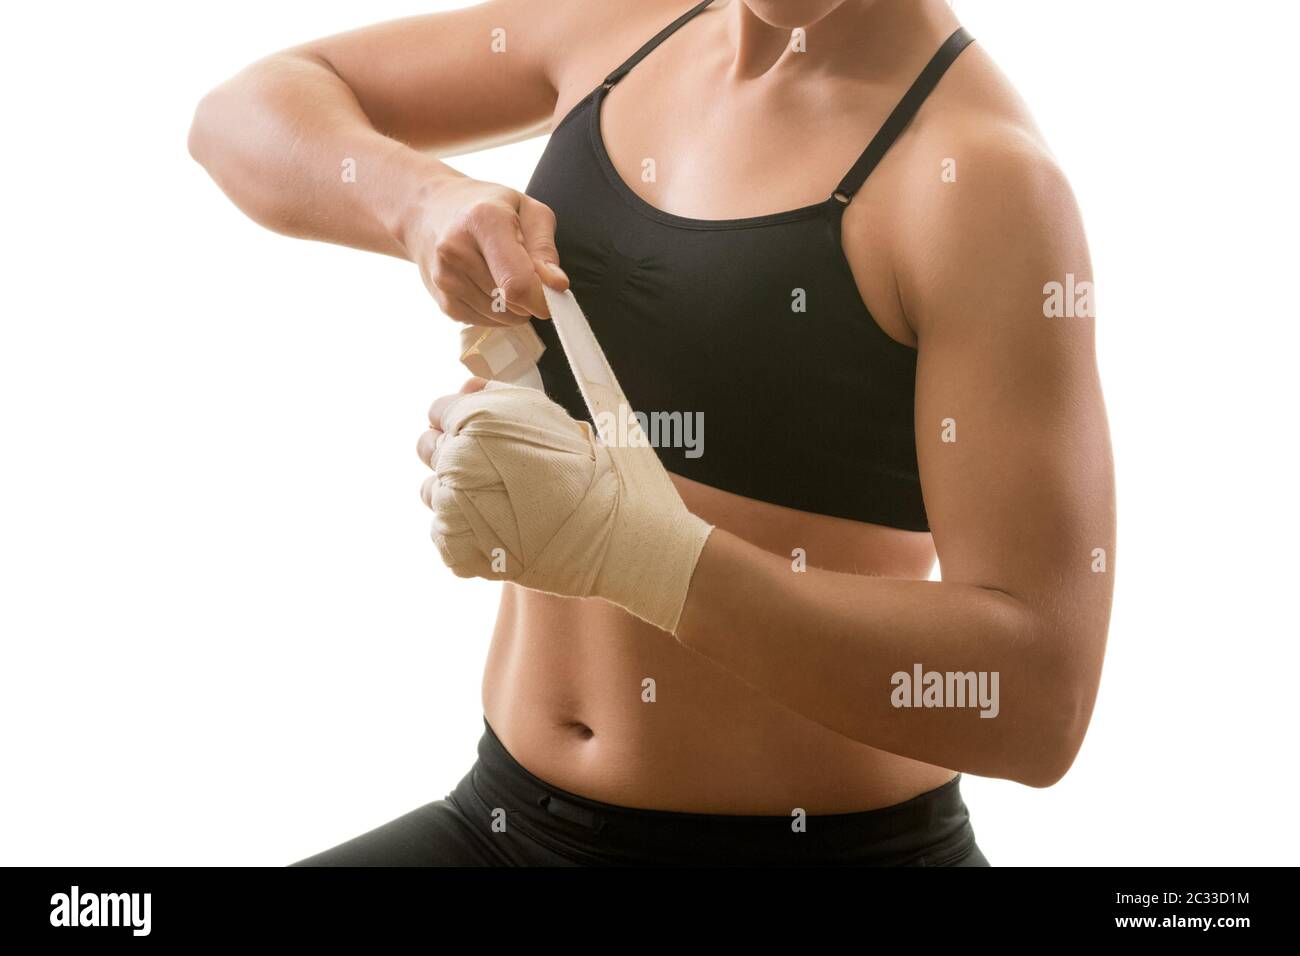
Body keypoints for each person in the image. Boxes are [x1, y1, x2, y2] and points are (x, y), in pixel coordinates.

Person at [189, 0, 1114, 866]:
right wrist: (419, 201)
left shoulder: (981, 179)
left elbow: (1036, 700)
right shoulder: (633, 22)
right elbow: (239, 115)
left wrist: (647, 559)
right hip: (506, 822)